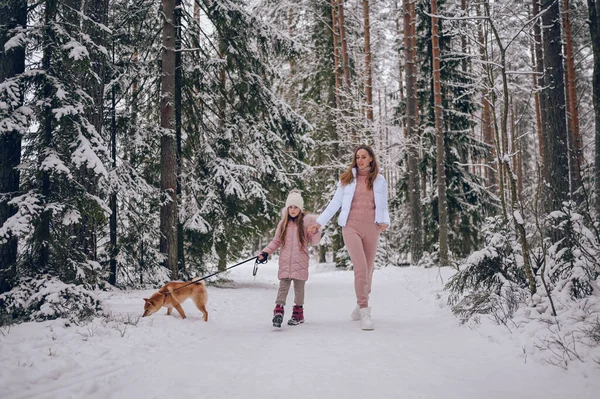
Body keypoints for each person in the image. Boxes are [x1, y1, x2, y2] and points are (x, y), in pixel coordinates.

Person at [308, 145, 389, 330]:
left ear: (371, 159)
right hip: (350, 227)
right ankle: (364, 310)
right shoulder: (347, 180)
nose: (360, 160)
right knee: (360, 268)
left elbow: (383, 205)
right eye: (357, 157)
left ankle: (360, 302)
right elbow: (334, 204)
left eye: (363, 156)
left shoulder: (379, 180)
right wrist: (319, 223)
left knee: (368, 271)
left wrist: (385, 221)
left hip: (372, 228)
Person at [258, 189, 321, 328]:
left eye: (296, 207)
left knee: (299, 289)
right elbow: (276, 241)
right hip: (286, 261)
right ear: (287, 208)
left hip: (301, 262)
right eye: (290, 207)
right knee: (283, 286)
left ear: (300, 208)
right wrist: (265, 252)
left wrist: (315, 231)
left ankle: (298, 313)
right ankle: (278, 310)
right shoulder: (283, 224)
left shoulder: (306, 223)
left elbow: (314, 242)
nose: (293, 210)